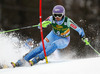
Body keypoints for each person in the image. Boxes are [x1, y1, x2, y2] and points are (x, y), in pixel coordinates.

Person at [11, 5, 85, 67]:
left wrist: (83, 36)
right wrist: (41, 25)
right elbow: (42, 24)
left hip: (64, 39)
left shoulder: (67, 21)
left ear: (63, 14)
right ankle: (22, 61)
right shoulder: (51, 18)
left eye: (59, 15)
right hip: (53, 35)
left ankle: (37, 58)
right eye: (55, 15)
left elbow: (79, 30)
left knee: (54, 45)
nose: (57, 17)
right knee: (41, 47)